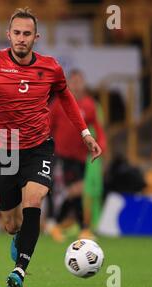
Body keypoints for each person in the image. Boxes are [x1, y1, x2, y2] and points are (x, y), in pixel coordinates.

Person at [0, 8, 102, 287]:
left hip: (38, 148)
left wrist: (85, 133)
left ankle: (19, 270)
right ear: (8, 35)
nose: (21, 38)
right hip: (4, 150)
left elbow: (66, 97)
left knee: (34, 201)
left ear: (36, 37)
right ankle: (18, 239)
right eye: (16, 33)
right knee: (11, 224)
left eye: (27, 34)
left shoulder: (50, 68)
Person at [49, 69, 107, 242]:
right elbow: (47, 126)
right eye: (73, 81)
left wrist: (100, 145)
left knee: (73, 192)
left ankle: (57, 224)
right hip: (61, 154)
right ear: (67, 84)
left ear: (84, 84)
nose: (76, 85)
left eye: (79, 81)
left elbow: (99, 129)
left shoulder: (89, 105)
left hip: (80, 156)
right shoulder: (59, 103)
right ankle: (79, 227)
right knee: (72, 190)